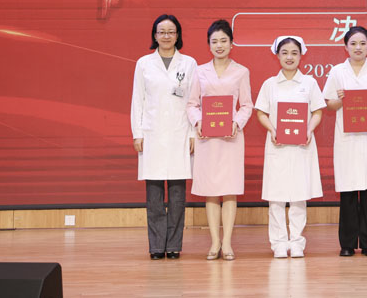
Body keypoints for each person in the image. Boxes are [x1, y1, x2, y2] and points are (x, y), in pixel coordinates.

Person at [131, 14, 197, 260]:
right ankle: (157, 246)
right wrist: (137, 133)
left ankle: (174, 245)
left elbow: (194, 101)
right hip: (152, 133)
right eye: (162, 32)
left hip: (181, 132)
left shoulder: (189, 63)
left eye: (171, 32)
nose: (166, 36)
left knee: (178, 196)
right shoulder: (144, 63)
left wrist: (193, 133)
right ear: (155, 35)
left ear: (178, 35)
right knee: (155, 195)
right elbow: (138, 100)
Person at [187, 19, 253, 261]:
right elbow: (192, 104)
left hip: (230, 138)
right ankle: (214, 242)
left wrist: (236, 122)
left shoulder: (241, 71)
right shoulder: (199, 71)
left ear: (232, 43)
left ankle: (227, 243)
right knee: (211, 191)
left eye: (224, 40)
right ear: (209, 45)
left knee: (230, 190)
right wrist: (198, 122)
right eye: (214, 41)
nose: (219, 45)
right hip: (207, 138)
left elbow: (246, 105)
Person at [323, 26, 367, 257]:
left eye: (362, 43)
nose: (358, 47)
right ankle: (348, 243)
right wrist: (340, 100)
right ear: (346, 47)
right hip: (347, 139)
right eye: (353, 43)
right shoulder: (337, 72)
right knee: (348, 191)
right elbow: (329, 104)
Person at [255, 36, 326, 258]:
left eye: (294, 53)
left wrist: (309, 129)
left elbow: (317, 112)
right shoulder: (269, 84)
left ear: (301, 55)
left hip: (301, 146)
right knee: (276, 197)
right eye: (284, 52)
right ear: (277, 55)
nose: (289, 57)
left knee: (298, 196)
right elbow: (261, 113)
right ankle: (278, 243)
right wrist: (272, 130)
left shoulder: (309, 83)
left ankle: (296, 242)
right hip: (277, 146)